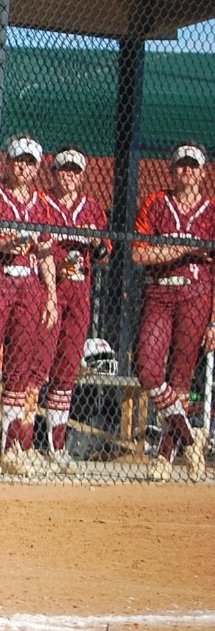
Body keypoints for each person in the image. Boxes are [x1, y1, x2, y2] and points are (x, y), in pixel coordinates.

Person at [0, 136, 58, 476]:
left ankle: (10, 448)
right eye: (19, 160)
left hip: (29, 285)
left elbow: (46, 250)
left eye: (30, 162)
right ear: (6, 162)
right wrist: (4, 242)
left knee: (20, 368)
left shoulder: (41, 204)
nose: (24, 167)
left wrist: (50, 292)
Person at [129, 143, 214, 482]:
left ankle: (165, 457)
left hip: (197, 296)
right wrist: (176, 250)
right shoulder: (157, 203)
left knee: (180, 379)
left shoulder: (210, 211)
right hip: (161, 293)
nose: (187, 171)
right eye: (181, 165)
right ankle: (191, 441)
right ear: (171, 170)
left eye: (193, 166)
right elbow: (138, 254)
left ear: (204, 172)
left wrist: (213, 320)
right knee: (148, 368)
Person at [41, 147, 109, 473]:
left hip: (79, 294)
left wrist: (95, 241)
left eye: (75, 171)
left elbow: (105, 255)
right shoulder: (44, 203)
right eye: (63, 170)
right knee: (38, 365)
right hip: (48, 292)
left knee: (67, 369)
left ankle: (57, 446)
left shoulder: (91, 208)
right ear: (53, 173)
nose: (69, 176)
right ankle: (20, 442)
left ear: (82, 176)